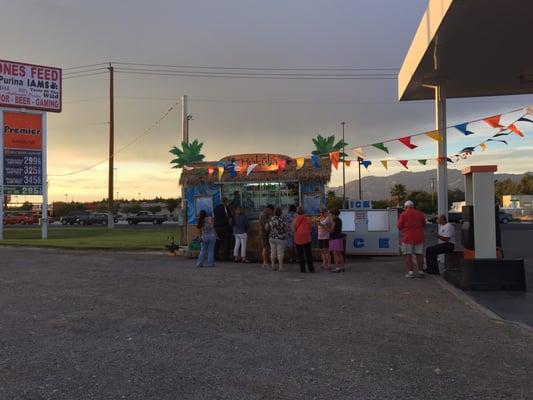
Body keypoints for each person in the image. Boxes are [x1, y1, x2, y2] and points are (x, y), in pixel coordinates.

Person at [397, 200, 426, 278]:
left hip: (407, 237)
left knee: (408, 255)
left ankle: (410, 272)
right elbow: (424, 224)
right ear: (413, 206)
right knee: (419, 254)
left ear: (405, 207)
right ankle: (420, 271)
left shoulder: (403, 214)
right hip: (419, 237)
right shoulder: (420, 214)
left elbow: (399, 226)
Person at [293, 206, 315, 273]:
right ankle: (311, 268)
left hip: (298, 237)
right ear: (303, 211)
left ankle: (303, 269)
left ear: (297, 212)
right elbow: (311, 227)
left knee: (301, 254)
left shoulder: (295, 219)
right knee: (308, 253)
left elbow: (294, 228)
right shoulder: (308, 218)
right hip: (307, 237)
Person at [328, 209, 344, 273]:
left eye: (331, 214)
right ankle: (342, 267)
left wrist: (323, 226)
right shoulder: (340, 220)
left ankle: (337, 268)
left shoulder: (334, 221)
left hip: (334, 238)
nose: (330, 215)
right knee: (340, 253)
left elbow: (331, 230)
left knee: (335, 254)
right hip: (339, 238)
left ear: (334, 214)